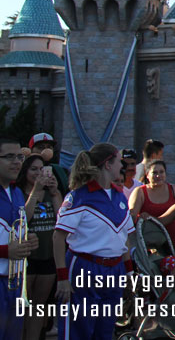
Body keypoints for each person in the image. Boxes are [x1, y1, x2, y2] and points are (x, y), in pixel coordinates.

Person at [53, 142, 132, 340]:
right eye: (118, 162)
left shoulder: (119, 196)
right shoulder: (79, 196)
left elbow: (122, 239)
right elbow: (58, 236)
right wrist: (62, 278)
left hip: (114, 269)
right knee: (78, 329)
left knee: (105, 330)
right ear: (107, 164)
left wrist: (129, 271)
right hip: (85, 266)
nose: (121, 167)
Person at [16, 153, 61, 340]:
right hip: (25, 258)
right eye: (33, 169)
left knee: (39, 306)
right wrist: (35, 191)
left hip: (47, 256)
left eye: (42, 169)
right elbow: (22, 219)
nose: (38, 173)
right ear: (25, 171)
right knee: (21, 306)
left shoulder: (51, 194)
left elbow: (62, 219)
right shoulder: (19, 193)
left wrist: (55, 192)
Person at [1, 138, 39, 340]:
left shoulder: (16, 193)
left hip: (14, 282)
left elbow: (14, 231)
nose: (16, 162)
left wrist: (28, 238)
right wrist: (5, 251)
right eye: (9, 157)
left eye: (19, 157)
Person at [129, 159, 175, 243]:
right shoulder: (140, 192)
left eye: (161, 172)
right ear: (147, 175)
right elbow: (132, 216)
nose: (158, 176)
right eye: (154, 173)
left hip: (172, 240)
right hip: (149, 241)